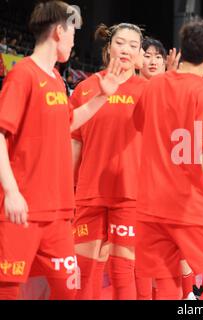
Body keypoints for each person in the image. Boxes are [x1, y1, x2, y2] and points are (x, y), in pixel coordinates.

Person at [0, 0, 124, 300]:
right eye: (72, 34)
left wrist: (100, 99)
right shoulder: (23, 75)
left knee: (68, 290)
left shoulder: (56, 79)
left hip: (58, 212)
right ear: (58, 31)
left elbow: (67, 123)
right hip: (23, 211)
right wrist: (12, 192)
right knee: (10, 290)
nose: (73, 41)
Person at [133, 19, 203, 300]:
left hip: (151, 204)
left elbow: (139, 124)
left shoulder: (152, 86)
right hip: (190, 204)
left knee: (167, 285)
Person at [71, 23, 148, 300]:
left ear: (139, 53)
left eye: (133, 45)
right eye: (120, 43)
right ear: (108, 47)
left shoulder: (148, 92)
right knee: (85, 270)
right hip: (90, 192)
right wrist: (70, 190)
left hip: (130, 194)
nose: (125, 49)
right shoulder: (85, 88)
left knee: (122, 271)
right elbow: (75, 142)